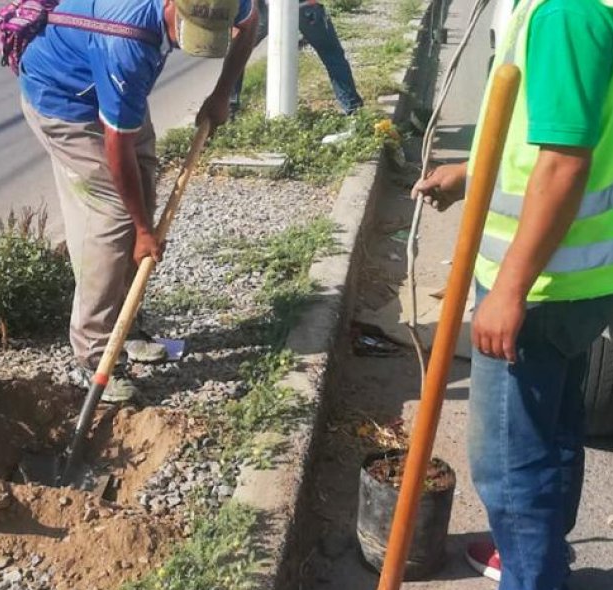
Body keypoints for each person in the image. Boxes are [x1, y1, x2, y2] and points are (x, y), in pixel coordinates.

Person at [412, 0, 613, 590]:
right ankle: (539, 560)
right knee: (552, 432)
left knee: (510, 463)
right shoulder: (608, 7)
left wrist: (510, 289)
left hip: (544, 284)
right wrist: (470, 173)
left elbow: (563, 163)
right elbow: (556, 129)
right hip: (586, 272)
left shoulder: (567, 13)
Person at [20, 0, 257, 402]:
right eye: (187, 28)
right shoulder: (125, 38)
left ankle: (124, 324)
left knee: (143, 190)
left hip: (109, 86)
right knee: (114, 215)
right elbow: (117, 148)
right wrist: (143, 230)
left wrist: (222, 94)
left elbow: (249, 24)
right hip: (63, 99)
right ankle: (93, 355)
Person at [228, 0, 364, 117]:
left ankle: (229, 109)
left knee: (236, 54)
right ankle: (353, 108)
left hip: (265, 7)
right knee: (332, 55)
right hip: (303, 6)